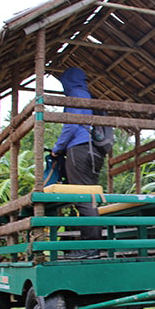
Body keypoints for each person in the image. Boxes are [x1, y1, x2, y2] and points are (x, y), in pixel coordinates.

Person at [52, 67, 103, 259]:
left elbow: (71, 124)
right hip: (92, 150)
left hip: (79, 149)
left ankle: (90, 249)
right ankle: (92, 247)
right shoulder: (86, 93)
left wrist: (58, 148)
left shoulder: (75, 94)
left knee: (83, 199)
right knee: (89, 198)